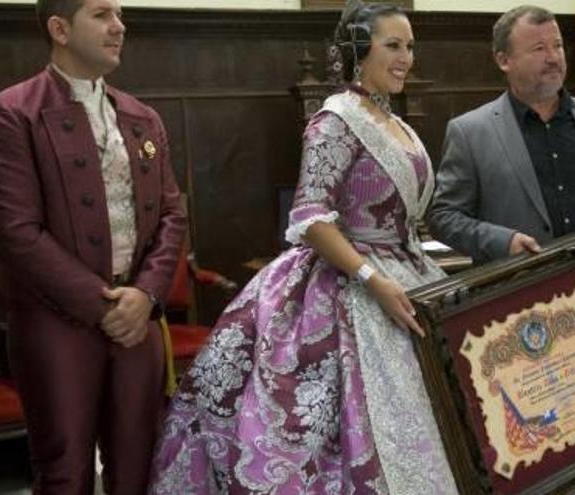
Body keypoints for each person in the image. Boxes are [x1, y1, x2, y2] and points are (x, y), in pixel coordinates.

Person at [148, 2, 457, 493]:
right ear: (359, 48)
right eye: (393, 45)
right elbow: (312, 217)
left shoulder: (399, 125)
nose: (406, 58)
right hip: (348, 286)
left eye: (411, 46)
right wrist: (372, 279)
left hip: (409, 274)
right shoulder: (335, 119)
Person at [0, 0, 187, 492]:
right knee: (65, 471)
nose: (119, 26)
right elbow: (15, 231)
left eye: (119, 14)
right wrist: (103, 306)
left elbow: (173, 214)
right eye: (101, 14)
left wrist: (145, 295)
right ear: (59, 29)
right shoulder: (13, 113)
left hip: (138, 321)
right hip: (55, 323)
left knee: (138, 466)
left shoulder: (142, 117)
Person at [427, 5, 575, 265]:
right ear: (503, 60)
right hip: (516, 291)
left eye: (558, 45)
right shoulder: (470, 132)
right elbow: (444, 216)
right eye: (539, 49)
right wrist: (501, 241)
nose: (554, 57)